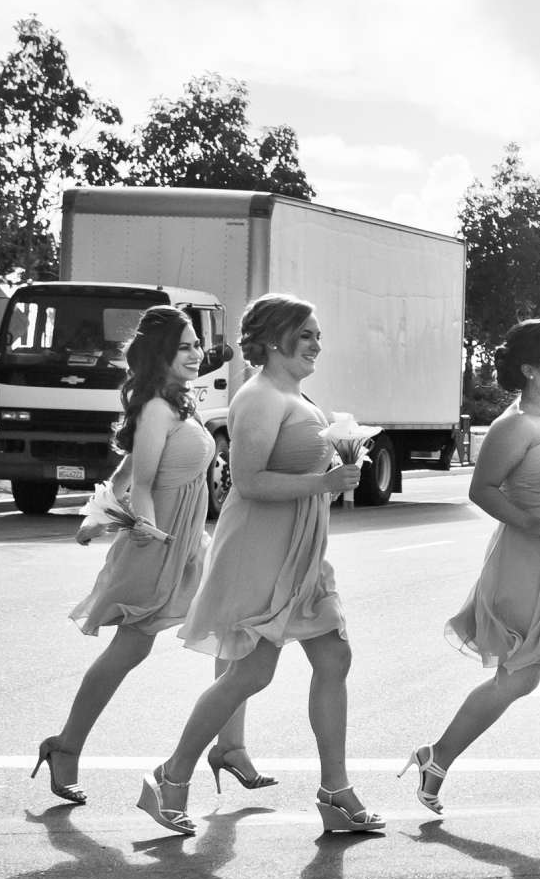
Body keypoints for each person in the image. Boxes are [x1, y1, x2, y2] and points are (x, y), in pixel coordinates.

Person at [139, 294, 376, 839]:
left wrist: (341, 467)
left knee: (334, 656)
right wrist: (323, 482)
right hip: (261, 550)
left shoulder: (294, 392)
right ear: (275, 339)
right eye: (308, 334)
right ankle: (169, 778)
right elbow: (248, 481)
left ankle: (336, 793)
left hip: (303, 551)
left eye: (319, 334)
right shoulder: (259, 396)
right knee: (253, 671)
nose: (318, 343)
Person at [33, 306, 273, 806]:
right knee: (132, 648)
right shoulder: (157, 409)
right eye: (184, 346)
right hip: (157, 545)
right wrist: (145, 527)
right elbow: (142, 483)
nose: (195, 353)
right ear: (161, 353)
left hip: (190, 543)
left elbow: (127, 468)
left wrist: (96, 508)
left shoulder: (175, 404)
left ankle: (231, 747)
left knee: (234, 630)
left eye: (195, 346)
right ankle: (66, 746)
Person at [402, 320, 540, 829]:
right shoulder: (514, 426)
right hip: (522, 564)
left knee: (520, 679)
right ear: (530, 369)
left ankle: (434, 759)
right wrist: (529, 520)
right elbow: (481, 489)